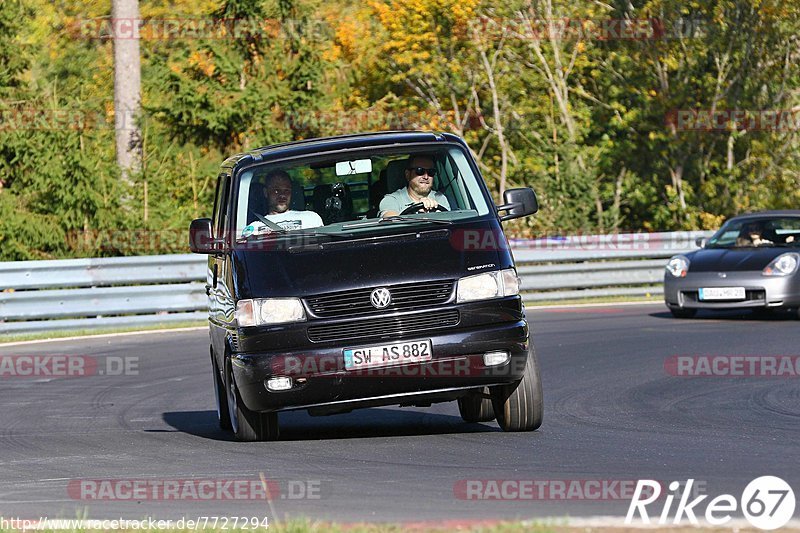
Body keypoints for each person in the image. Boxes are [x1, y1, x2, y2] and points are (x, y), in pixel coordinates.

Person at [243, 170, 323, 236]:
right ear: (266, 193)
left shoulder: (311, 218)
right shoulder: (254, 228)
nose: (282, 195)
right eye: (276, 191)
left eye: (286, 190)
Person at [379, 155, 451, 217]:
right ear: (408, 174)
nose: (426, 176)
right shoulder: (392, 200)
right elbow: (391, 221)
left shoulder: (439, 198)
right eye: (420, 171)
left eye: (430, 172)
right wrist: (416, 210)